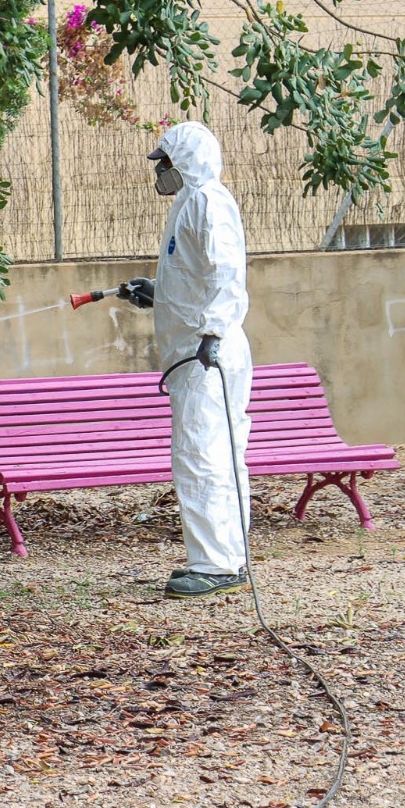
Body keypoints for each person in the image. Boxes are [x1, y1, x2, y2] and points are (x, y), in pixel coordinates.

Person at [120, 121, 252, 599]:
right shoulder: (188, 203)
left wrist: (213, 332)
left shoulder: (207, 201)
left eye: (165, 161)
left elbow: (226, 274)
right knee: (219, 452)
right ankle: (228, 557)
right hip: (199, 348)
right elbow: (195, 277)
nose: (161, 170)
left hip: (206, 353)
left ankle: (215, 563)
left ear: (186, 160)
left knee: (201, 454)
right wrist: (157, 293)